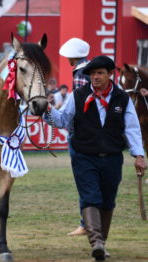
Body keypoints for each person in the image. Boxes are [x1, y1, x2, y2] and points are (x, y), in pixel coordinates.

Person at [44, 55, 147, 261]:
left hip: (112, 157)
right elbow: (63, 120)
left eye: (100, 73)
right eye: (92, 74)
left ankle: (102, 243)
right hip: (83, 155)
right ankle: (96, 243)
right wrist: (46, 110)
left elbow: (133, 128)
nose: (95, 77)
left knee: (108, 201)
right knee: (91, 197)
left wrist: (139, 155)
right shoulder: (77, 95)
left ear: (110, 74)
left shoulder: (122, 98)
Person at [59, 37, 91, 236]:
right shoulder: (93, 69)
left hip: (81, 133)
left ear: (72, 57)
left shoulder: (79, 73)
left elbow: (79, 105)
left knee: (83, 178)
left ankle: (85, 223)